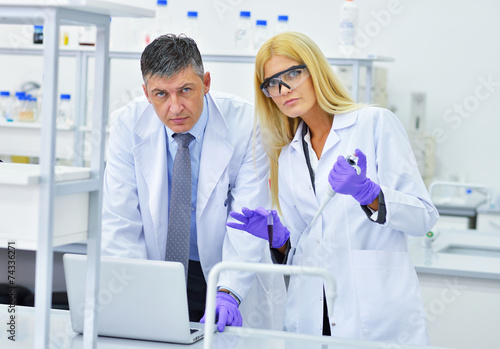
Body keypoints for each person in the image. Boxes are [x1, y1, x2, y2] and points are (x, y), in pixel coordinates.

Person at [228, 31, 439, 345]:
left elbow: (423, 217)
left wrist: (370, 195)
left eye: (292, 74)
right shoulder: (287, 155)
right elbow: (303, 247)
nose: (283, 89)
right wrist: (281, 242)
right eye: (272, 83)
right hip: (311, 318)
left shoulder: (374, 124)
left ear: (315, 71)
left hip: (375, 316)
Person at [100, 34, 285, 332]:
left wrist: (229, 292)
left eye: (185, 90)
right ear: (147, 93)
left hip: (225, 270)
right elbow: (120, 222)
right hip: (157, 271)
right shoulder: (127, 124)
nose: (175, 107)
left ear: (206, 82)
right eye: (161, 94)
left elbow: (248, 220)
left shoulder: (246, 125)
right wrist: (131, 287)